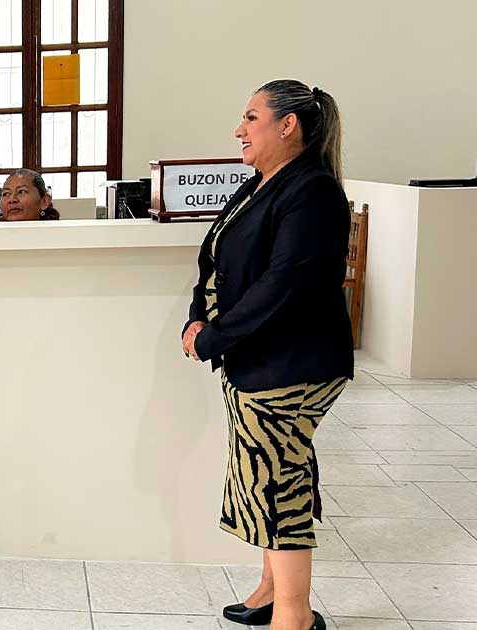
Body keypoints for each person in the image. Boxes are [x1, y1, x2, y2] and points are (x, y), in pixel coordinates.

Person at [183, 79, 353, 630]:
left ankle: (294, 614)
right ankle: (270, 588)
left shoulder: (313, 190)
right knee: (268, 470)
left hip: (293, 361)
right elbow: (215, 257)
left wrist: (213, 337)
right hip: (257, 357)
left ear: (288, 125)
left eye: (251, 117)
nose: (239, 129)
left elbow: (284, 283)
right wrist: (197, 313)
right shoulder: (261, 184)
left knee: (279, 480)